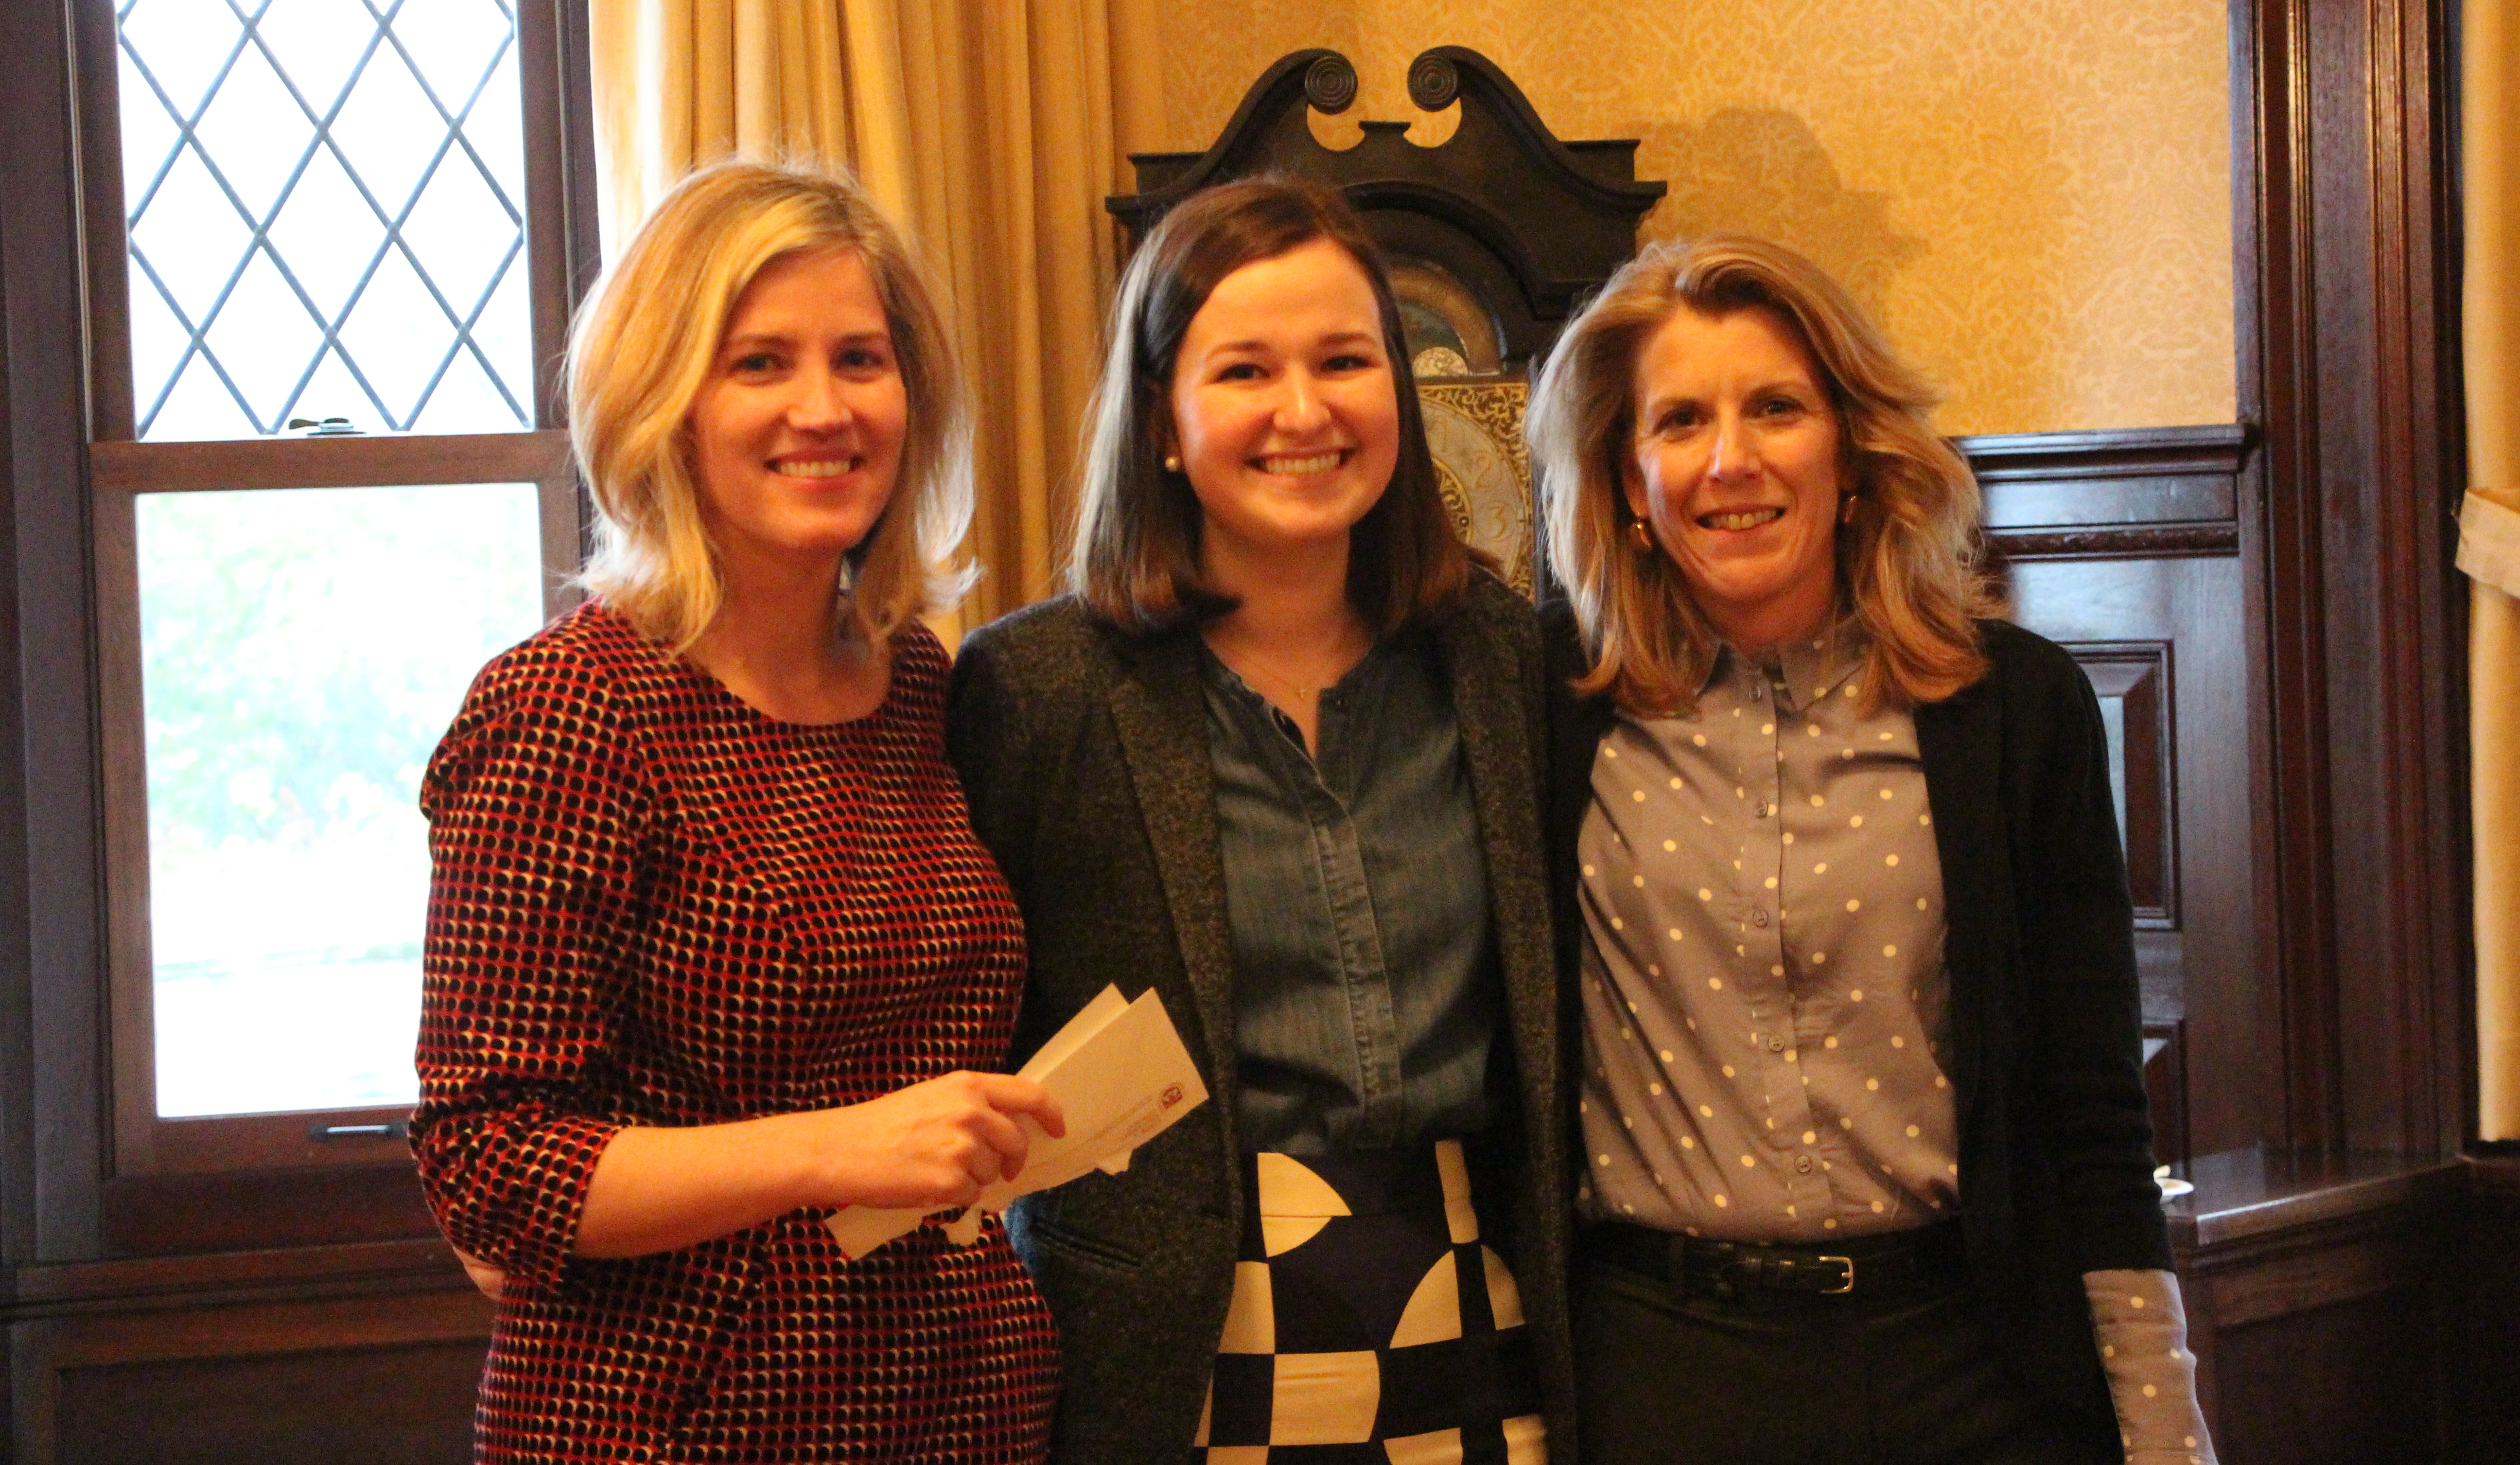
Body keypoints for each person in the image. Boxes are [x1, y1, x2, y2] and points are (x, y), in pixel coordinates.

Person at [1524, 232, 2218, 1465]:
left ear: (1850, 450)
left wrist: (2163, 1423)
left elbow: (2095, 1111)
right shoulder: (1545, 710)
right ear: (1628, 483)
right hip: (1662, 1373)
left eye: (1776, 408)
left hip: (1968, 1361)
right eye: (1680, 422)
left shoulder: (2017, 709)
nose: (1731, 460)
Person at [412, 159, 1063, 1464]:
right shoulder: (568, 709)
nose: (823, 409)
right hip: (680, 1418)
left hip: (963, 1402)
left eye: (861, 360)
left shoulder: (925, 683)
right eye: (759, 363)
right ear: (665, 402)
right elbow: (489, 1162)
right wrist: (840, 1150)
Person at [946, 178, 1574, 1465]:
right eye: (1244, 370)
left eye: (1346, 360)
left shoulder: (1501, 662)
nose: (1304, 411)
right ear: (1166, 418)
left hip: (1479, 1317)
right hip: (1175, 1356)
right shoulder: (1038, 691)